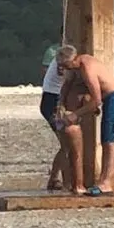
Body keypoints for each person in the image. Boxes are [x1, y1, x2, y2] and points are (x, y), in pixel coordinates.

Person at [56, 44, 114, 196]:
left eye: (65, 66)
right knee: (105, 141)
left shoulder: (86, 67)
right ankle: (103, 180)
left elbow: (96, 100)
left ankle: (107, 182)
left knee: (112, 141)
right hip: (110, 99)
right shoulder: (81, 65)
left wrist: (76, 114)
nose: (65, 70)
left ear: (71, 61)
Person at [39, 50, 70, 190]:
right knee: (67, 144)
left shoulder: (62, 56)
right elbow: (64, 74)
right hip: (53, 100)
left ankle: (57, 178)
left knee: (67, 143)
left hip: (50, 99)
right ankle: (61, 179)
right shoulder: (64, 60)